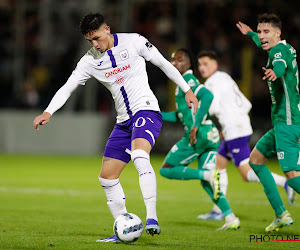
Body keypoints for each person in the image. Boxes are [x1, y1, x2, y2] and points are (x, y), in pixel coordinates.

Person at [32, 13, 199, 242]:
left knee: (140, 156)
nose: (95, 45)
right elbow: (67, 88)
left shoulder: (134, 42)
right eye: (90, 41)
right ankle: (123, 229)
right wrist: (48, 111)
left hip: (147, 110)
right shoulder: (89, 61)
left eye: (97, 38)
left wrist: (187, 89)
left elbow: (162, 64)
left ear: (107, 29)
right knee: (107, 177)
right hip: (123, 122)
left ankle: (152, 218)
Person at [196, 50, 294, 222]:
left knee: (246, 172)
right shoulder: (225, 78)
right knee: (218, 164)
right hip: (238, 126)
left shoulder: (211, 83)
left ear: (215, 64)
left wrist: (198, 115)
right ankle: (218, 209)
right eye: (200, 65)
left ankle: (285, 183)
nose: (202, 68)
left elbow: (213, 108)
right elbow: (246, 103)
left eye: (205, 64)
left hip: (235, 130)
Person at [159, 48, 240, 230]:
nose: (174, 63)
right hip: (209, 136)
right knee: (207, 182)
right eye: (172, 60)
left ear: (188, 64)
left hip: (198, 135)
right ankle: (230, 217)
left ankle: (208, 175)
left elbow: (207, 95)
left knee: (166, 169)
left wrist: (195, 125)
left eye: (179, 60)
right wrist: (157, 115)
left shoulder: (188, 80)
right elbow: (180, 115)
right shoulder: (181, 84)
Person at [236, 13, 300, 232]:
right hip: (283, 122)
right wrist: (250, 34)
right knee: (255, 159)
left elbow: (280, 65)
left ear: (277, 33)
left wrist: (275, 71)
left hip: (288, 123)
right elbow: (262, 41)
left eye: (266, 32)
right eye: (260, 31)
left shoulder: (278, 52)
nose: (262, 36)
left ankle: (281, 213)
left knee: (292, 175)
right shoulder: (285, 46)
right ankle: (281, 214)